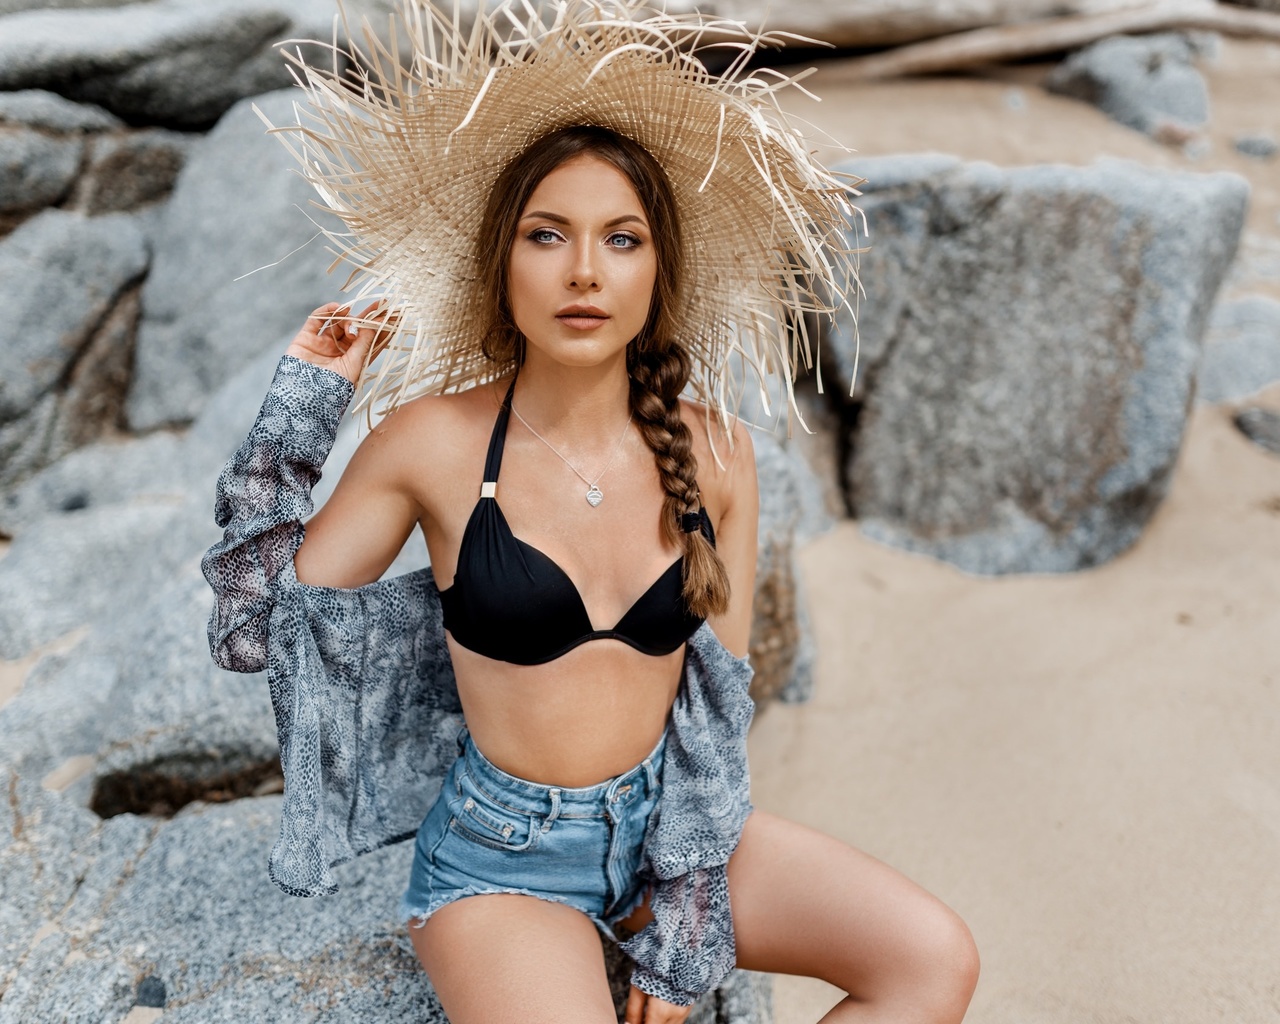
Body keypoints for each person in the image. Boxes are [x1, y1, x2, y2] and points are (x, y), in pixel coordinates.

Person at [202, 2, 979, 1022]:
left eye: (620, 238)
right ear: (502, 263)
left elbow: (712, 706)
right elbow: (254, 628)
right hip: (501, 862)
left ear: (655, 273)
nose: (582, 270)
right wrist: (302, 407)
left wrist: (689, 897)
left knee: (931, 961)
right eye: (546, 235)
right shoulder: (432, 445)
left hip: (667, 826)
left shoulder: (717, 454)